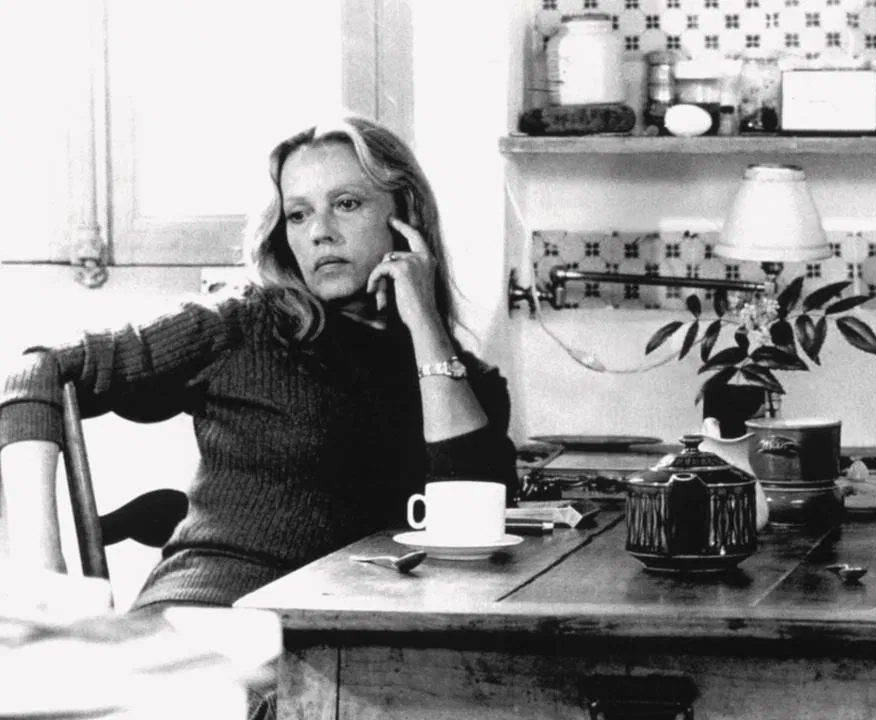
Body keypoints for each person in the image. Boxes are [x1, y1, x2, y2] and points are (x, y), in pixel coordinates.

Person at [0, 115, 518, 713]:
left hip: (350, 646)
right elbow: (40, 369)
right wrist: (47, 578)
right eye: (298, 214)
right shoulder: (244, 323)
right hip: (214, 626)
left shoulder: (467, 383)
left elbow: (473, 511)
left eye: (347, 204)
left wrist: (425, 323)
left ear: (406, 217)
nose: (320, 232)